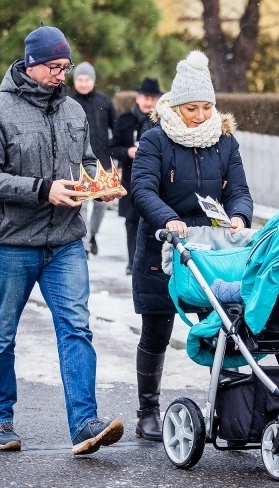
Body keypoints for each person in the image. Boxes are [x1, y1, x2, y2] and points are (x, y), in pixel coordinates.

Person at [0, 25, 126, 455]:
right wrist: (42, 189)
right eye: (53, 67)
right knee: (2, 333)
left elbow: (86, 162)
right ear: (30, 63)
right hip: (12, 244)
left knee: (77, 328)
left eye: (65, 67)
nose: (60, 74)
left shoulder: (73, 111)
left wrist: (99, 185)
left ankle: (85, 424)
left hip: (66, 243)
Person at [129, 50, 253, 441]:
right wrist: (168, 219)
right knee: (156, 331)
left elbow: (239, 189)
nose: (200, 116)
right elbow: (142, 188)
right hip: (165, 249)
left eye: (206, 107)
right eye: (191, 108)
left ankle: (234, 412)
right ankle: (148, 411)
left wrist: (240, 215)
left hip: (213, 251)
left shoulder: (225, 142)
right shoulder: (155, 140)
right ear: (175, 106)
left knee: (226, 328)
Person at [110, 77, 162, 275]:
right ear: (138, 98)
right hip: (130, 178)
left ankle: (152, 263)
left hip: (155, 178)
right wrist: (128, 152)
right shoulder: (125, 120)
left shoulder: (161, 121)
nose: (149, 102)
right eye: (146, 98)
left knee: (153, 221)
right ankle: (133, 262)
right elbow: (112, 148)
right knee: (131, 222)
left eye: (153, 98)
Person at [69, 61, 116, 257]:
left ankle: (93, 234)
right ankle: (85, 244)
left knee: (100, 204)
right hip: (78, 163)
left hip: (102, 162)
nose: (83, 83)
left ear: (93, 81)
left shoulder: (104, 102)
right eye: (79, 79)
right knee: (81, 205)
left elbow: (116, 130)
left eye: (86, 79)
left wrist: (116, 158)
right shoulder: (69, 103)